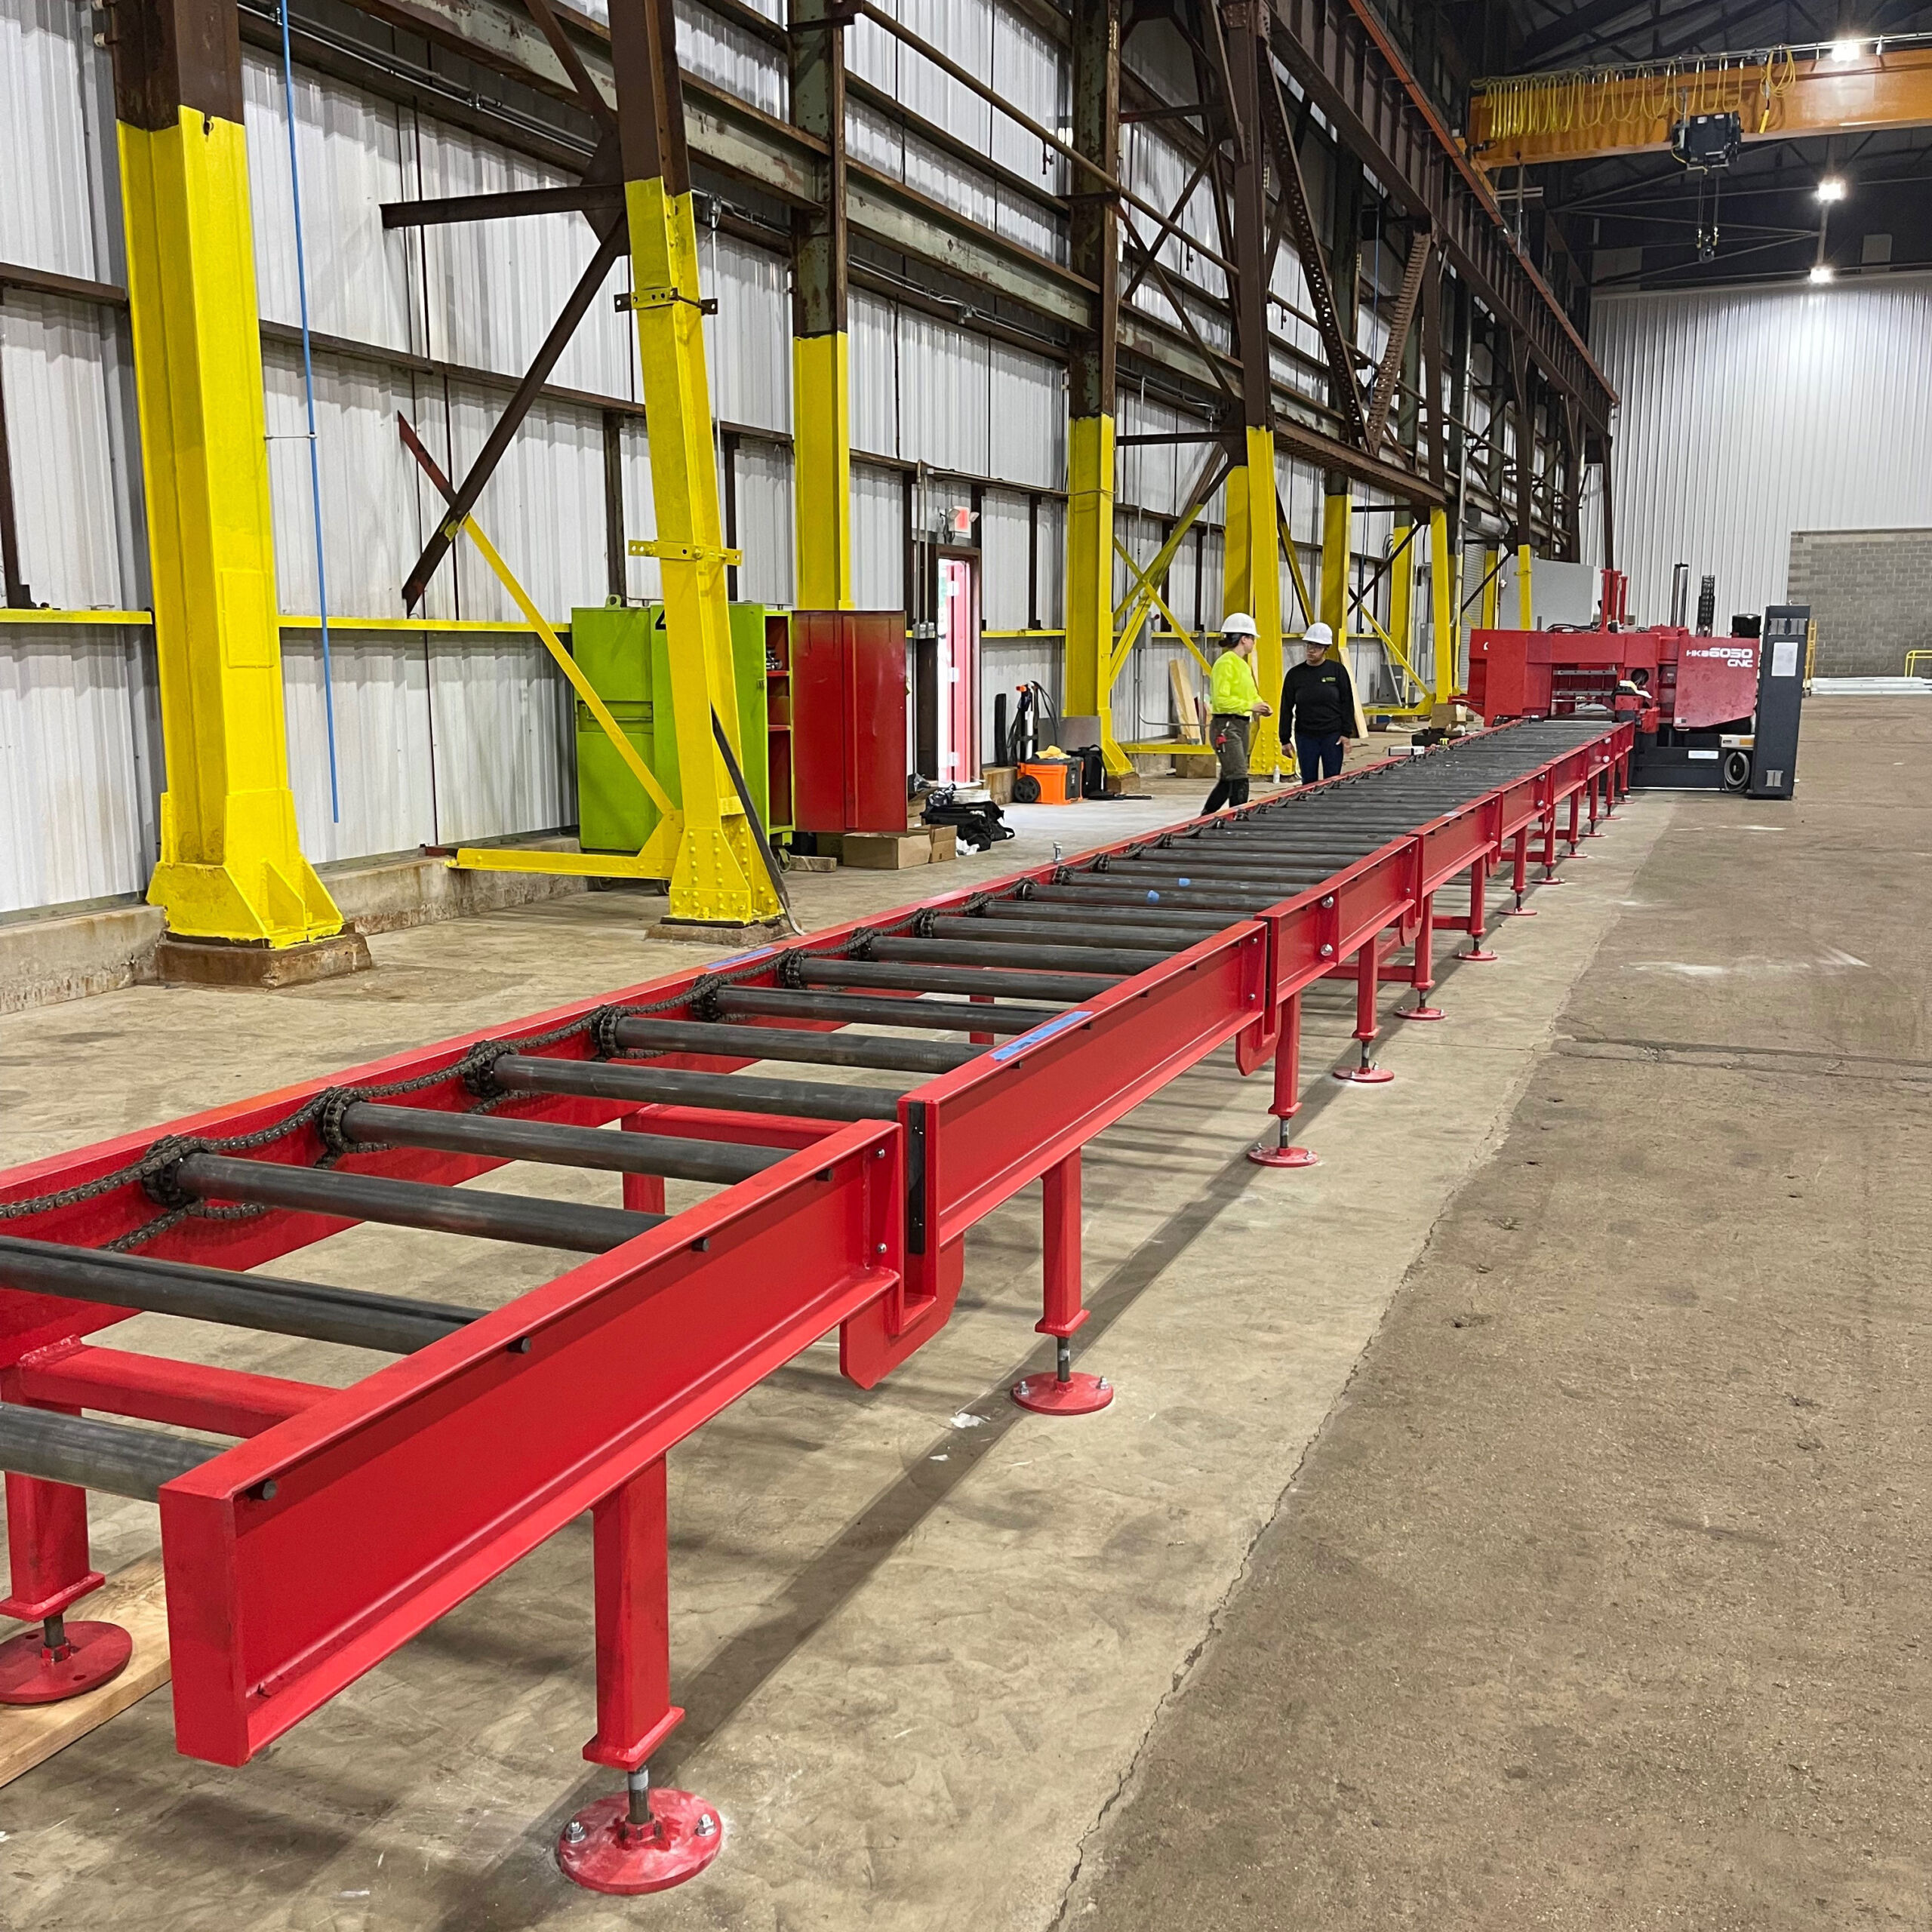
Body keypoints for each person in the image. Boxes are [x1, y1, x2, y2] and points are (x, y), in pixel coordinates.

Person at [1201, 613, 1271, 814]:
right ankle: (1238, 819)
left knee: (1228, 778)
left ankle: (1205, 817)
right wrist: (1250, 706)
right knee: (1239, 776)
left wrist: (1261, 705)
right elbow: (1220, 701)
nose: (1254, 643)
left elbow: (1251, 694)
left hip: (1240, 724)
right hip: (1226, 726)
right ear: (1244, 639)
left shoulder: (1242, 665)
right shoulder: (1225, 664)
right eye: (1252, 638)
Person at [1279, 622, 1356, 784]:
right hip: (1306, 736)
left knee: (1333, 780)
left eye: (1317, 646)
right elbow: (1286, 707)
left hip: (1332, 736)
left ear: (1326, 648)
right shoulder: (1295, 675)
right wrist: (1284, 739)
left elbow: (1347, 703)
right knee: (1308, 781)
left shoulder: (1337, 671)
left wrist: (1346, 733)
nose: (1311, 650)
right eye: (1309, 645)